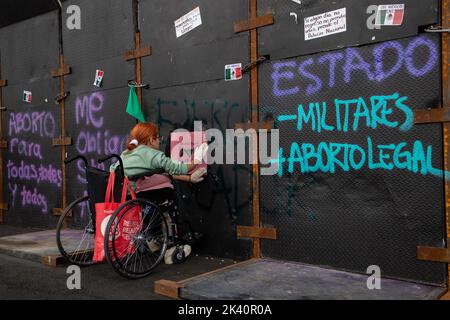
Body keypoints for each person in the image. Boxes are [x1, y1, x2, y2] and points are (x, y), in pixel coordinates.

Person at [111, 122, 207, 263]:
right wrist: (197, 159)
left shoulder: (127, 152)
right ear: (151, 140)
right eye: (158, 138)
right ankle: (170, 238)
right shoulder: (153, 154)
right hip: (136, 193)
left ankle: (154, 239)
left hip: (122, 191)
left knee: (162, 177)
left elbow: (162, 172)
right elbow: (179, 168)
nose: (159, 141)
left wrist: (189, 178)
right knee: (168, 188)